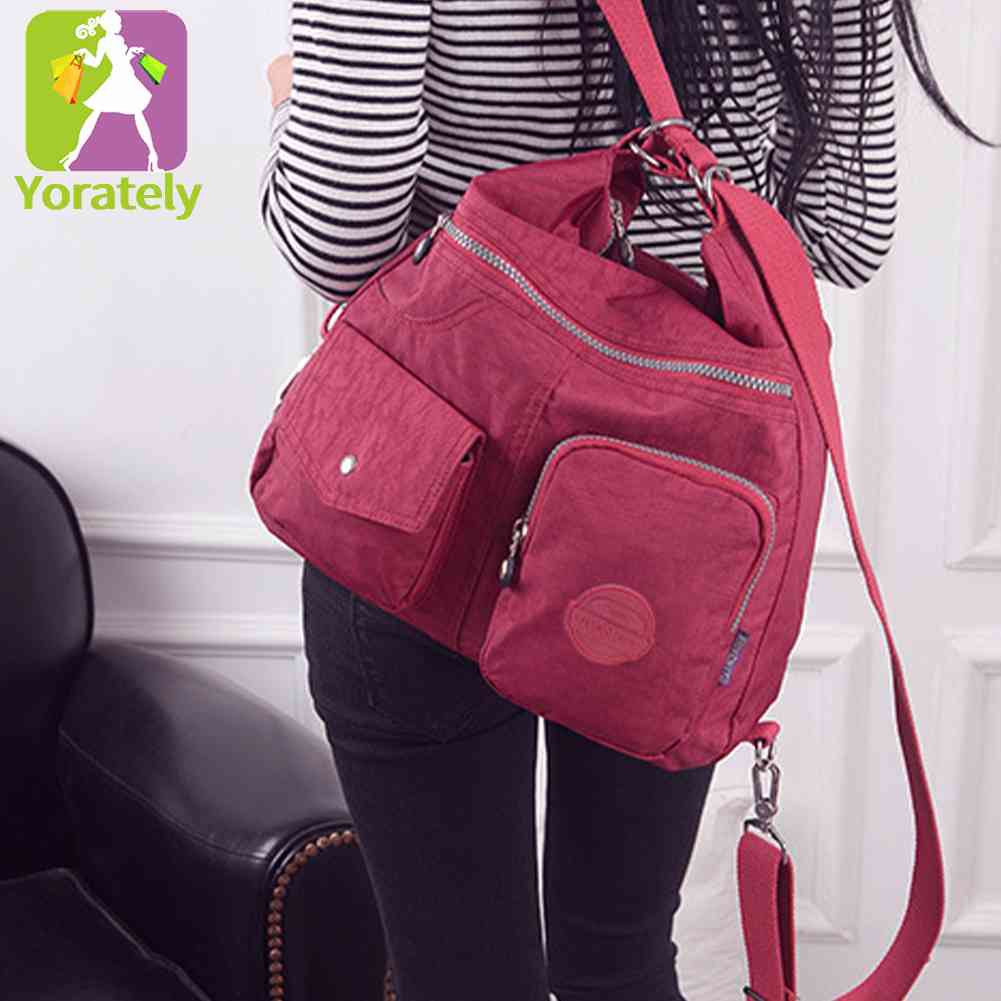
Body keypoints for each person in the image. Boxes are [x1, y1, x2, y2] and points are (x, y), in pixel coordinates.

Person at [258, 4, 989, 1000]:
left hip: (419, 494)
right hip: (664, 517)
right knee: (620, 960)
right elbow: (846, 237)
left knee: (460, 978)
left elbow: (336, 240)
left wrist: (286, 100)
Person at [61, 10, 159, 172]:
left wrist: (130, 52)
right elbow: (96, 63)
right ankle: (75, 153)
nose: (120, 25)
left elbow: (123, 60)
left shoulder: (119, 39)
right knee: (124, 113)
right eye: (118, 23)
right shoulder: (103, 42)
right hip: (120, 77)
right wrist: (85, 54)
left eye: (120, 22)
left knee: (126, 113)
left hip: (126, 75)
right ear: (108, 25)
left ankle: (153, 155)